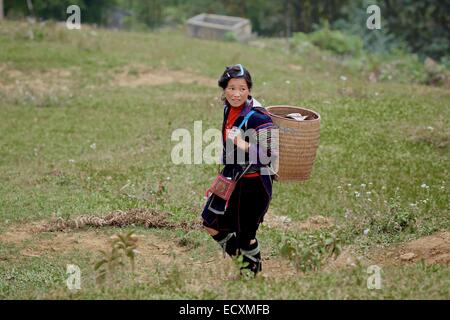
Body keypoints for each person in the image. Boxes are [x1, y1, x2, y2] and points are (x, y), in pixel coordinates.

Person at [201, 64, 277, 276]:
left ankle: (251, 278)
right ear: (224, 89)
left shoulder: (258, 117)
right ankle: (244, 262)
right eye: (232, 88)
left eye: (242, 89)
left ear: (249, 90)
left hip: (255, 185)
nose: (237, 94)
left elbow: (270, 154)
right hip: (232, 178)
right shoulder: (228, 108)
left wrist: (243, 144)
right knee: (210, 222)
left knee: (246, 236)